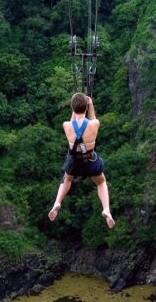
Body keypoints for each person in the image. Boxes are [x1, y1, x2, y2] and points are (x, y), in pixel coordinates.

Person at [48, 93, 115, 228]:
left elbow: (73, 122)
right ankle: (106, 209)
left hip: (75, 161)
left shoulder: (66, 125)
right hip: (90, 160)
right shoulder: (94, 124)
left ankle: (57, 202)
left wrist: (76, 107)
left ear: (72, 108)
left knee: (67, 179)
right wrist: (91, 106)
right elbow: (93, 119)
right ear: (86, 107)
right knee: (101, 182)